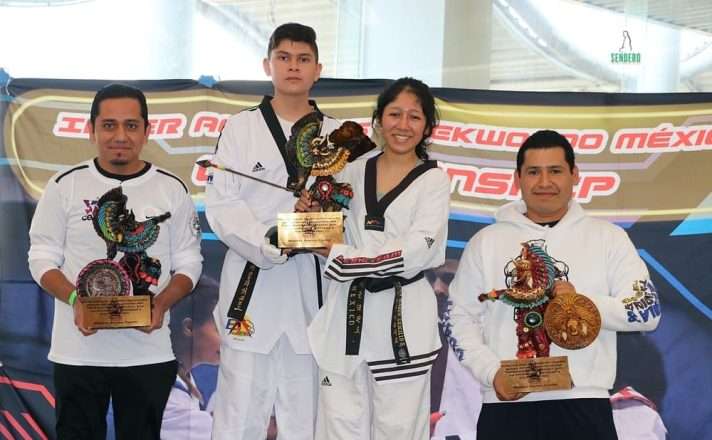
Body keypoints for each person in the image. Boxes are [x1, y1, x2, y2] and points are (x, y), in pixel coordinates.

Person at [448, 129, 661, 440]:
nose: (544, 182)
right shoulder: (486, 242)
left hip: (583, 404)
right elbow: (458, 317)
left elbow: (648, 310)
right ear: (518, 178)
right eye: (534, 172)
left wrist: (583, 305)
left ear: (575, 175)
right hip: (507, 405)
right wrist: (491, 373)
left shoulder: (609, 238)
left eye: (556, 171)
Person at [27, 83, 203, 439]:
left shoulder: (172, 189)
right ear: (91, 130)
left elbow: (189, 263)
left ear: (146, 131)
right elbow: (41, 257)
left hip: (147, 353)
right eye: (109, 125)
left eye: (131, 125)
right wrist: (76, 300)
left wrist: (161, 304)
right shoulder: (64, 185)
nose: (120, 135)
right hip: (78, 353)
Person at [204, 22, 341, 439]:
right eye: (284, 58)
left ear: (318, 69)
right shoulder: (240, 129)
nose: (293, 67)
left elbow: (350, 209)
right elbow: (223, 206)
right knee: (238, 417)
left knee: (307, 421)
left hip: (312, 292)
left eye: (303, 59)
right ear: (268, 65)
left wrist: (320, 220)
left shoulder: (338, 135)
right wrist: (272, 239)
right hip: (253, 287)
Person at [298, 77, 451, 439]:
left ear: (427, 126)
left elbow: (417, 249)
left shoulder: (434, 181)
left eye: (414, 116)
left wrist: (342, 256)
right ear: (379, 119)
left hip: (402, 320)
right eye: (394, 114)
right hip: (346, 315)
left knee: (398, 429)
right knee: (338, 426)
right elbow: (325, 229)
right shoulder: (350, 169)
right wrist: (310, 216)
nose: (403, 124)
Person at [161, 276, 220, 440]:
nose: (229, 339)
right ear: (189, 327)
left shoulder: (181, 377)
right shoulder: (168, 396)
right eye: (219, 327)